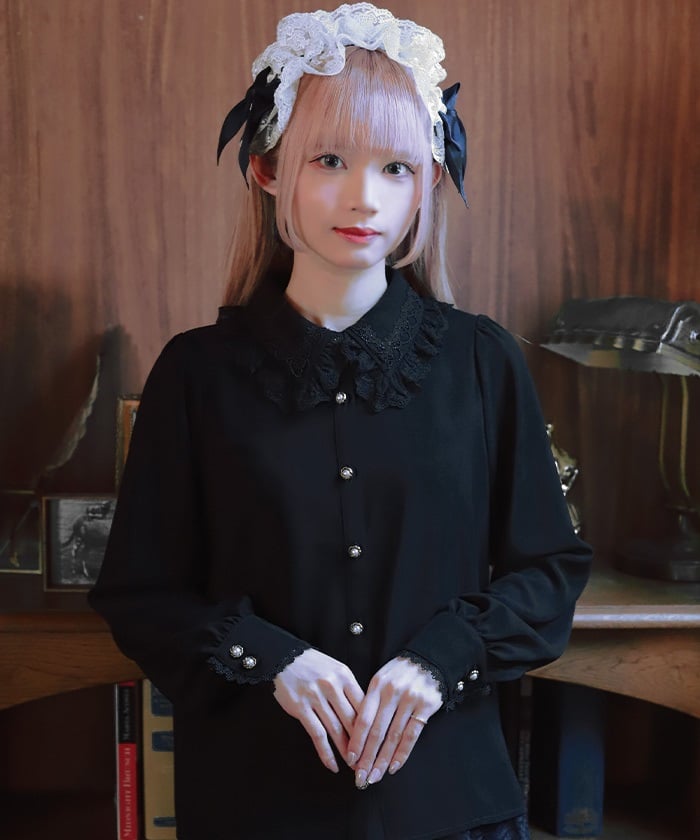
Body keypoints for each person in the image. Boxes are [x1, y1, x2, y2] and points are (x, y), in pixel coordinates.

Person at [89, 4, 592, 839]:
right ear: (267, 168)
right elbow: (139, 593)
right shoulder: (195, 374)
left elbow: (548, 569)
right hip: (258, 808)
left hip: (453, 808)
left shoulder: (482, 360)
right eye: (330, 159)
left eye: (397, 168)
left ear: (429, 181)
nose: (364, 197)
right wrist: (270, 657)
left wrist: (439, 662)